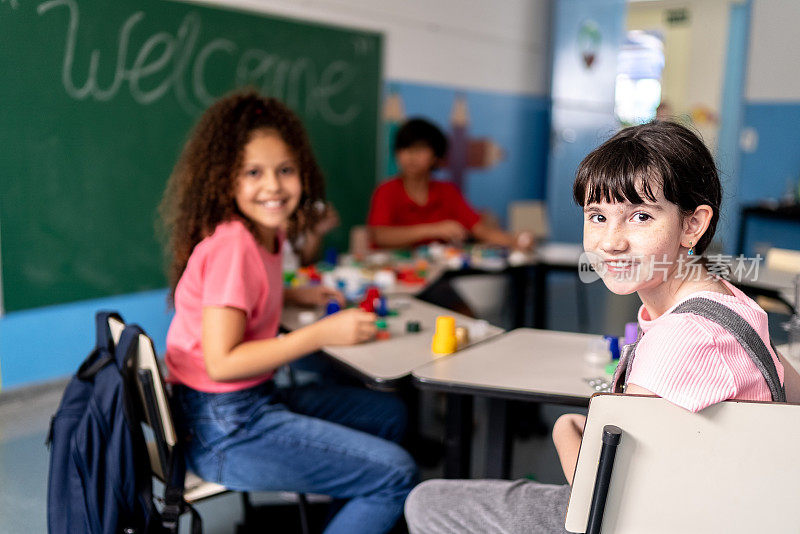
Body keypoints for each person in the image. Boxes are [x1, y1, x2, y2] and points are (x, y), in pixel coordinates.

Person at [403, 121, 800, 533]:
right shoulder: (732, 303)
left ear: (692, 225)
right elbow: (792, 397)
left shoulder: (684, 340)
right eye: (597, 216)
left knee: (425, 501)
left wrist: (564, 431)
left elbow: (615, 504)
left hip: (656, 517)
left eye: (640, 216)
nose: (611, 241)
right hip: (723, 507)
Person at [159, 90, 417, 534]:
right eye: (253, 173)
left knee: (389, 414)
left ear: (302, 172)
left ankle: (347, 516)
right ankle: (362, 505)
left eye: (285, 170)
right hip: (223, 426)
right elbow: (222, 363)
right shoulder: (234, 245)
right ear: (225, 179)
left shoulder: (265, 235)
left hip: (242, 403)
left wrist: (295, 297)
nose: (273, 186)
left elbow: (248, 292)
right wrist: (320, 334)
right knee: (396, 474)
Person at [367, 118, 533, 250]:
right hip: (392, 275)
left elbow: (479, 229)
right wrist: (434, 229)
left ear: (435, 156)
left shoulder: (447, 191)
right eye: (405, 149)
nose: (411, 156)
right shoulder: (386, 190)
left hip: (434, 274)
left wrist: (514, 240)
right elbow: (380, 236)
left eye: (420, 149)